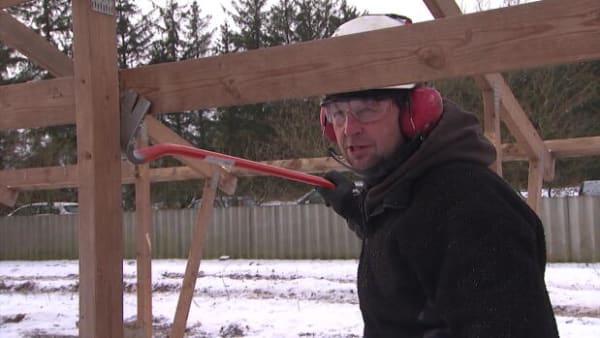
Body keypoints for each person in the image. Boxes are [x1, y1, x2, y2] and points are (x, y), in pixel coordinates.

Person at [315, 14, 559, 338]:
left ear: (416, 112)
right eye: (337, 113)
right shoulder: (406, 190)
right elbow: (408, 237)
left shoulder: (471, 208)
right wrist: (351, 203)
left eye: (367, 109)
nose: (349, 129)